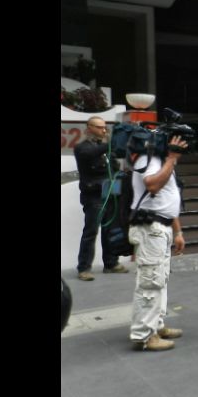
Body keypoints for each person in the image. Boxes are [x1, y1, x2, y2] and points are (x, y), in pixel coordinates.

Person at [128, 135, 188, 352]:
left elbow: (168, 200)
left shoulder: (160, 161)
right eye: (177, 143)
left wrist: (178, 232)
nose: (180, 147)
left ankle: (156, 325)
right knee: (150, 283)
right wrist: (171, 159)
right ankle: (144, 335)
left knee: (159, 281)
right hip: (150, 229)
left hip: (160, 229)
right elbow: (152, 186)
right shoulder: (150, 159)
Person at [74, 117, 129, 281]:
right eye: (99, 128)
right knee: (91, 232)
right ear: (89, 128)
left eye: (105, 128)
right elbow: (90, 155)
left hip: (109, 193)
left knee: (109, 229)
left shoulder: (104, 149)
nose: (104, 131)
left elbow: (114, 165)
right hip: (93, 197)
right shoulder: (82, 147)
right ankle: (84, 268)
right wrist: (112, 143)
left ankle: (111, 263)